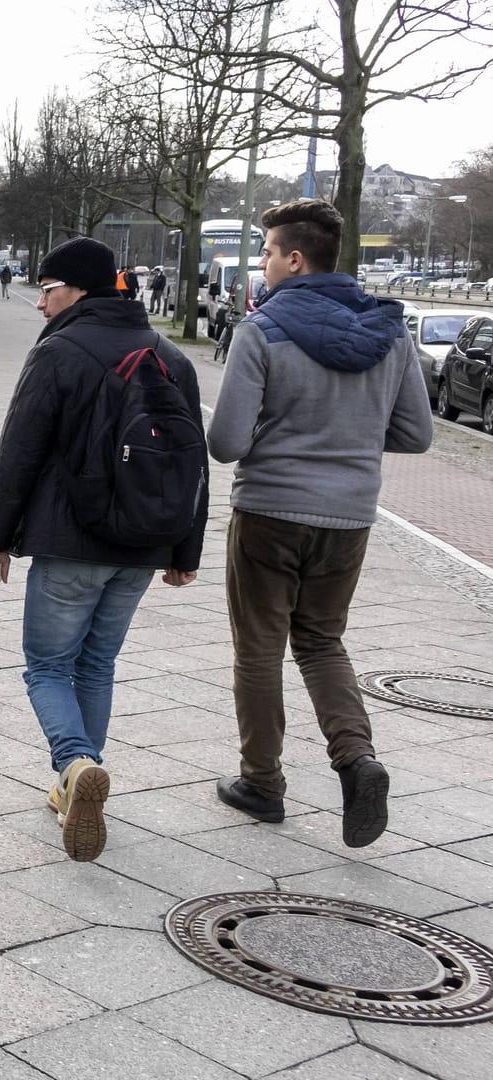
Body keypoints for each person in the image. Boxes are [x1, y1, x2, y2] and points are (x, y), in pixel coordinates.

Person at [207, 199, 432, 847]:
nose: (265, 263)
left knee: (259, 649)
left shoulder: (263, 330)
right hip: (350, 518)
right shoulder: (389, 333)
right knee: (322, 641)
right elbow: (416, 434)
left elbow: (225, 442)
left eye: (270, 252)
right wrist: (351, 436)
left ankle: (262, 783)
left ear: (295, 259)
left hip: (270, 514)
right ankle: (357, 759)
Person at [0, 236, 207, 863]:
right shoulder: (169, 356)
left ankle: (76, 765)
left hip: (70, 540)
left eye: (46, 291)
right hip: (143, 544)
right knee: (97, 665)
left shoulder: (61, 351)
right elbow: (195, 464)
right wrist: (186, 549)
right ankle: (70, 786)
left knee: (48, 666)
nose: (40, 305)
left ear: (75, 289)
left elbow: (17, 452)